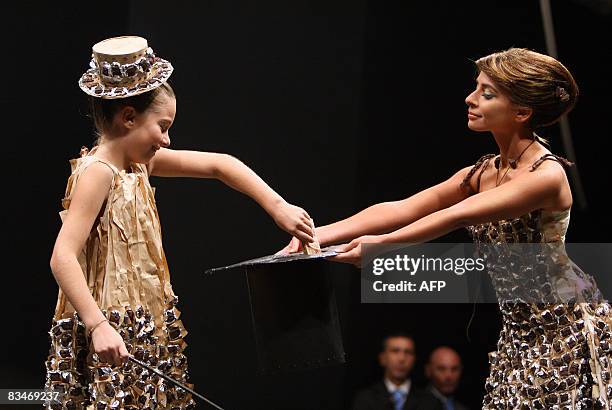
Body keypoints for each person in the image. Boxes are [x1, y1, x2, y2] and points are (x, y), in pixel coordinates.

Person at [284, 48, 612, 408]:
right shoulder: (484, 171)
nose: (470, 99)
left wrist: (383, 246)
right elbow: (404, 207)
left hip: (562, 325)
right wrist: (316, 235)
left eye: (487, 94)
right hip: (518, 328)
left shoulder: (546, 175)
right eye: (477, 87)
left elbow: (459, 214)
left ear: (521, 112)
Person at [44, 36, 315, 409]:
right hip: (110, 330)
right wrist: (97, 325)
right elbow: (63, 257)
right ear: (128, 117)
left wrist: (278, 206)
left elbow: (221, 164)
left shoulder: (138, 165)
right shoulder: (99, 172)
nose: (167, 140)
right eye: (163, 126)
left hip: (141, 326)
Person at [352, 332, 424, 410]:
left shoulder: (429, 401)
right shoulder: (365, 399)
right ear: (382, 358)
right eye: (395, 351)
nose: (402, 358)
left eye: (408, 352)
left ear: (414, 359)